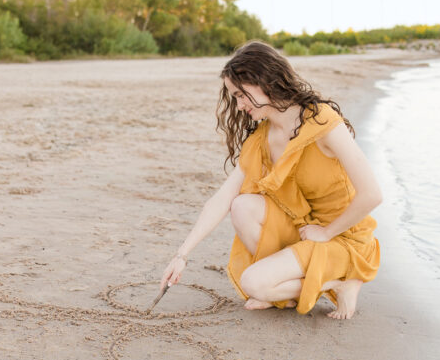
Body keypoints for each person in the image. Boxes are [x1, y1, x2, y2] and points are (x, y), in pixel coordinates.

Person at [159, 41, 382, 320]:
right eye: (234, 97)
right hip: (304, 229)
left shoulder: (322, 121)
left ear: (263, 81)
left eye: (241, 95)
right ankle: (285, 288)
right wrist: (182, 254)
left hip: (343, 235)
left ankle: (342, 279)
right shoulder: (263, 137)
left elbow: (372, 194)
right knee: (241, 205)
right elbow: (222, 198)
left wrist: (325, 233)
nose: (239, 106)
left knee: (252, 283)